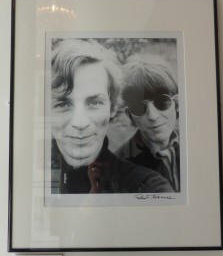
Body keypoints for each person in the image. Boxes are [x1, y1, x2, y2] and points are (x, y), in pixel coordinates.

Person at [50, 38, 173, 194]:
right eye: (63, 104)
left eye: (93, 103)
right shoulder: (23, 179)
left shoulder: (149, 187)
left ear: (113, 107)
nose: (80, 123)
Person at [116, 54, 180, 191]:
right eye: (139, 107)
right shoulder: (120, 167)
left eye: (162, 102)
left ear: (176, 102)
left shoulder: (199, 146)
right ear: (129, 114)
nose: (153, 116)